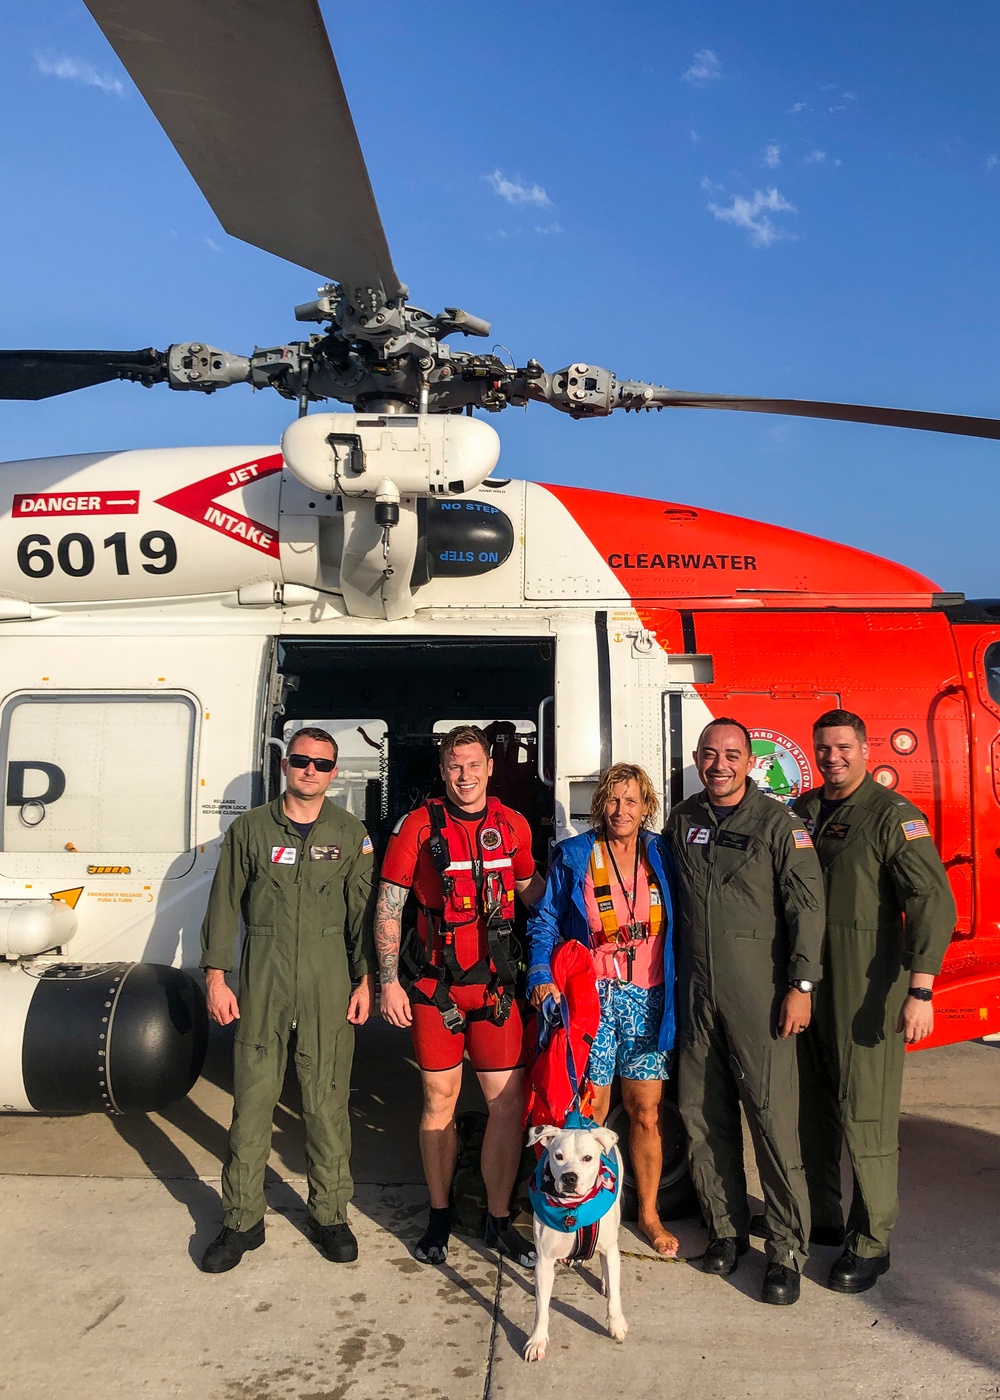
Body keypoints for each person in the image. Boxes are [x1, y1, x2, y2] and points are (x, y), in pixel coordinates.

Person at [199, 727, 376, 1273]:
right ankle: (241, 1219)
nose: (310, 771)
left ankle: (329, 1214)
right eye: (301, 760)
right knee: (253, 1099)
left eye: (322, 764)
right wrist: (216, 975)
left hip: (328, 974)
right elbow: (225, 903)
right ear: (284, 765)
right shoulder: (250, 829)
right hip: (264, 969)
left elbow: (361, 917)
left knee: (325, 1102)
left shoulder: (351, 834)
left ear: (334, 772)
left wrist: (365, 978)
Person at [793, 709, 956, 1293]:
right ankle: (828, 1219)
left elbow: (934, 901)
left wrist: (921, 988)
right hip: (810, 985)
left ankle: (872, 1241)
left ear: (864, 748)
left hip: (869, 989)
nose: (831, 756)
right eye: (823, 747)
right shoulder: (806, 811)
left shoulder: (892, 817)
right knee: (814, 1112)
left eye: (842, 746)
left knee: (866, 1115)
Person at [666, 718, 825, 1306]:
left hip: (761, 995)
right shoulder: (683, 821)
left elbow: (807, 908)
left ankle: (785, 1251)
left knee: (772, 1120)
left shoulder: (781, 826)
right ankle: (726, 1230)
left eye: (731, 754)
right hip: (697, 993)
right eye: (709, 754)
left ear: (750, 760)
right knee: (702, 1113)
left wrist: (801, 985)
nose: (719, 765)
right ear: (697, 758)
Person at [376, 725, 546, 1267]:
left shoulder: (512, 825)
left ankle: (498, 1219)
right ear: (443, 770)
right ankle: (440, 1215)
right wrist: (387, 982)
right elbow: (388, 907)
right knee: (439, 1102)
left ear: (490, 767)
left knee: (508, 1104)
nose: (465, 776)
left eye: (474, 765)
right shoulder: (418, 828)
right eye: (455, 766)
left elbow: (533, 892)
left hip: (494, 990)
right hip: (434, 990)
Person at [527, 762, 679, 1257]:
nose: (621, 810)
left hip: (647, 997)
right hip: (591, 1000)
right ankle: (586, 1213)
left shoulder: (663, 854)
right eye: (613, 800)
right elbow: (546, 920)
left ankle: (649, 1214)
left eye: (631, 800)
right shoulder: (575, 855)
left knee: (645, 1112)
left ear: (646, 806)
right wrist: (542, 976)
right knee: (587, 1113)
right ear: (600, 805)